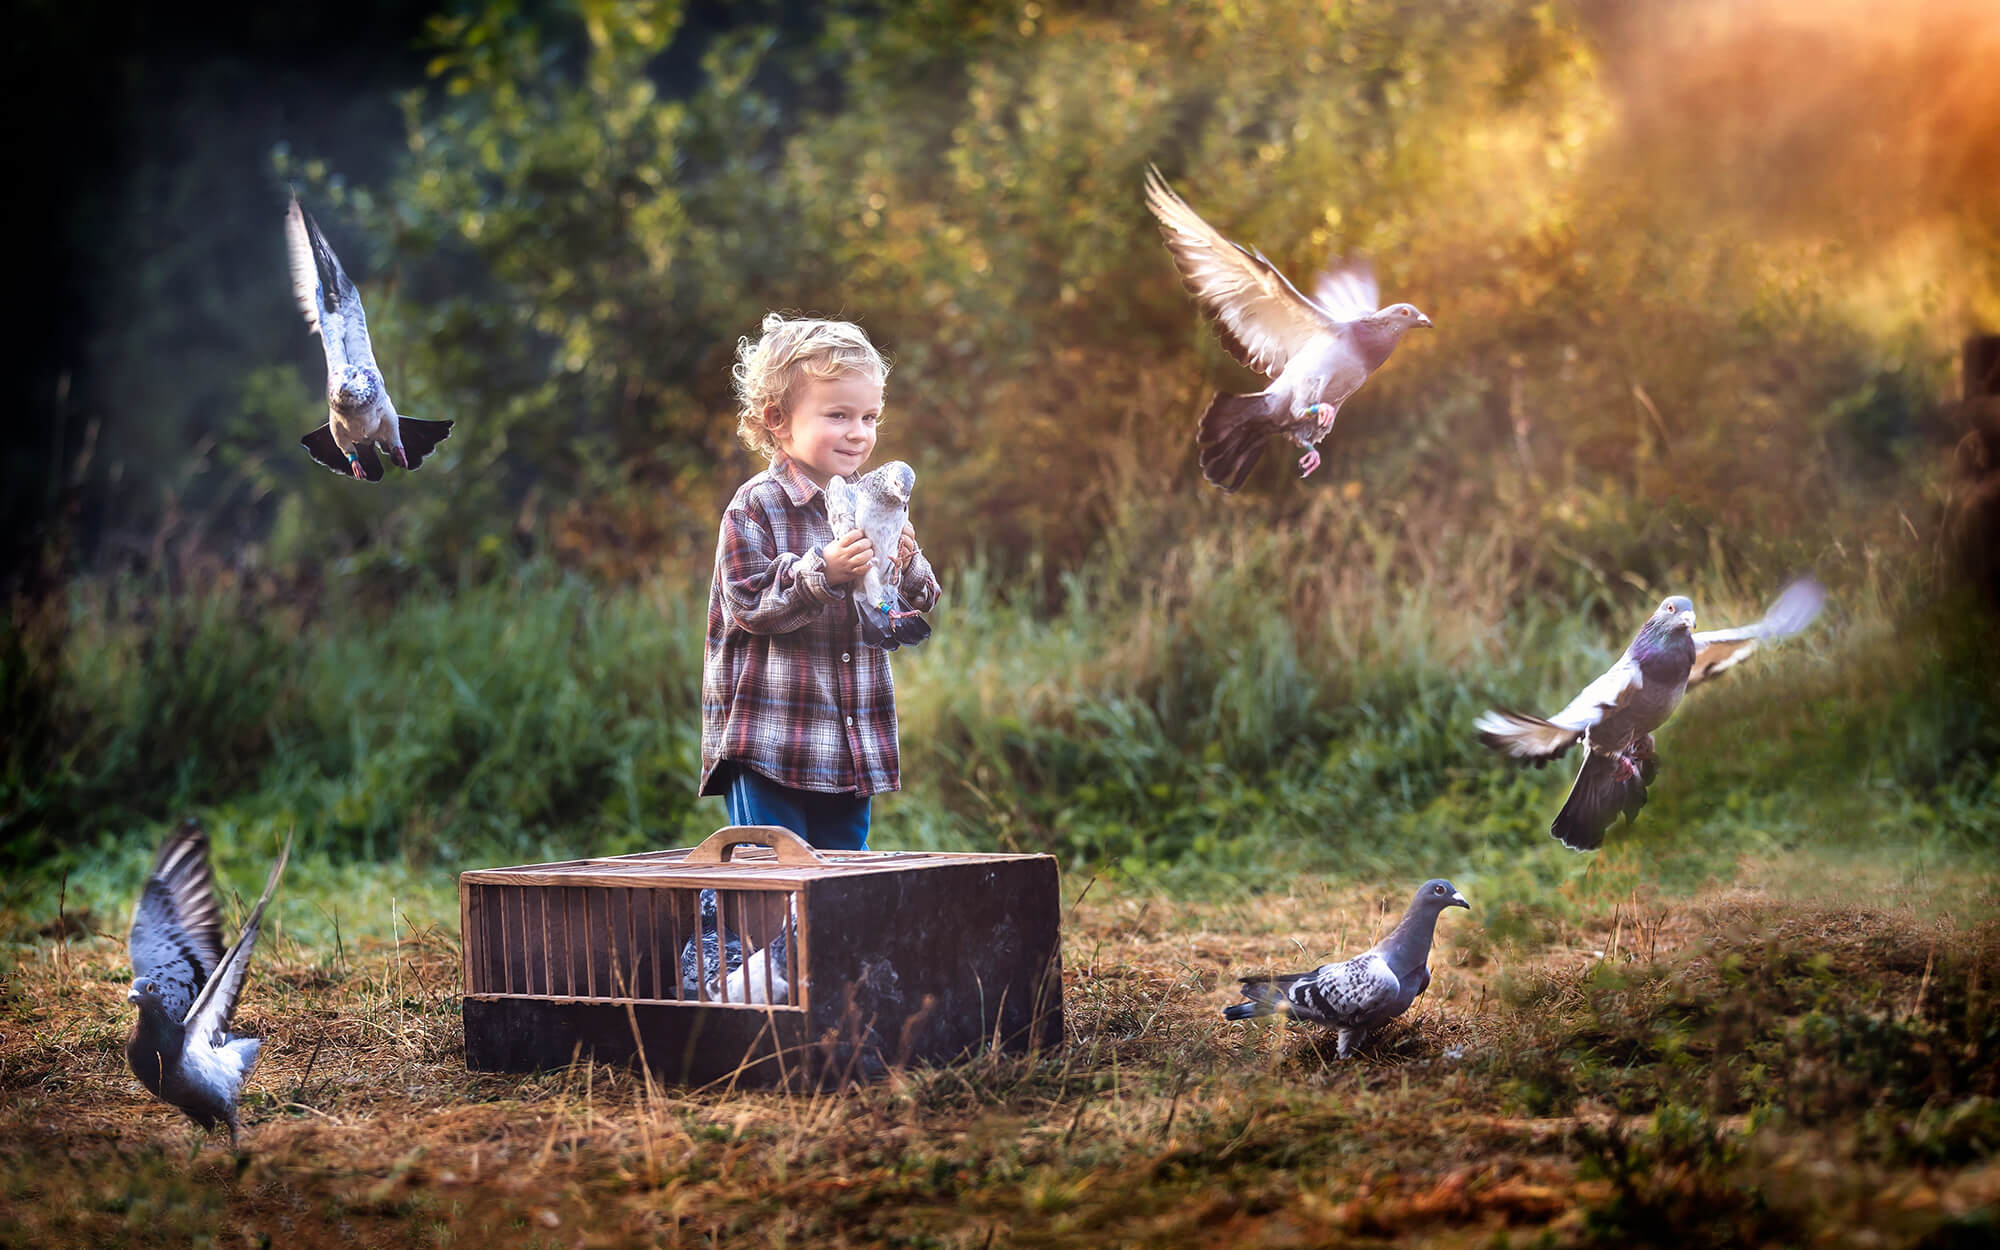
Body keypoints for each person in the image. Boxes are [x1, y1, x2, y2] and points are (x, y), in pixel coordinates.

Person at [698, 312, 940, 851]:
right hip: (773, 739)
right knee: (772, 869)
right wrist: (822, 571)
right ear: (779, 419)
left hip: (851, 739)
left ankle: (827, 940)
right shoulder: (755, 506)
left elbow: (913, 599)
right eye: (839, 415)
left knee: (839, 877)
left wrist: (906, 559)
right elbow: (749, 603)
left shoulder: (875, 499)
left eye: (870, 417)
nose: (859, 433)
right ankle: (750, 938)